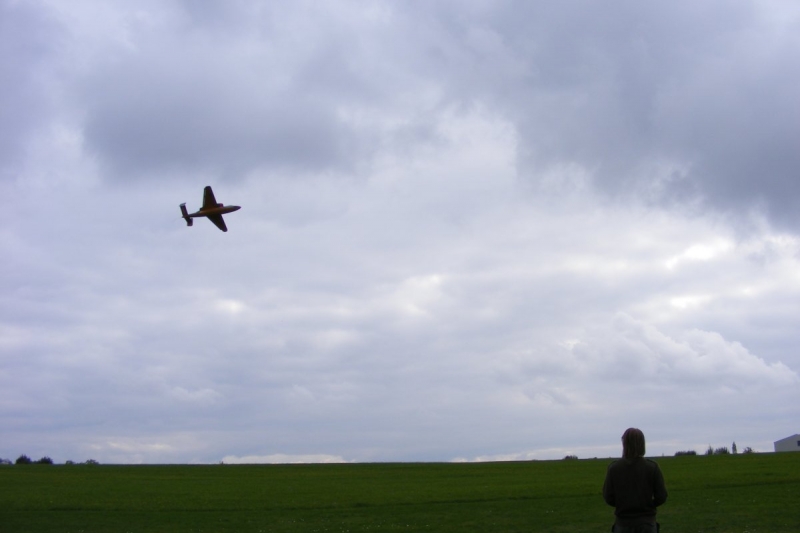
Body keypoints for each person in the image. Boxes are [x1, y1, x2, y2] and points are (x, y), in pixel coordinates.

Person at [603, 428, 668, 533]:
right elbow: (661, 496)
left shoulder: (614, 468)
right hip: (647, 523)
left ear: (625, 444)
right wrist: (648, 505)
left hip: (623, 523)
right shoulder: (652, 467)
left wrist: (624, 505)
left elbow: (608, 497)